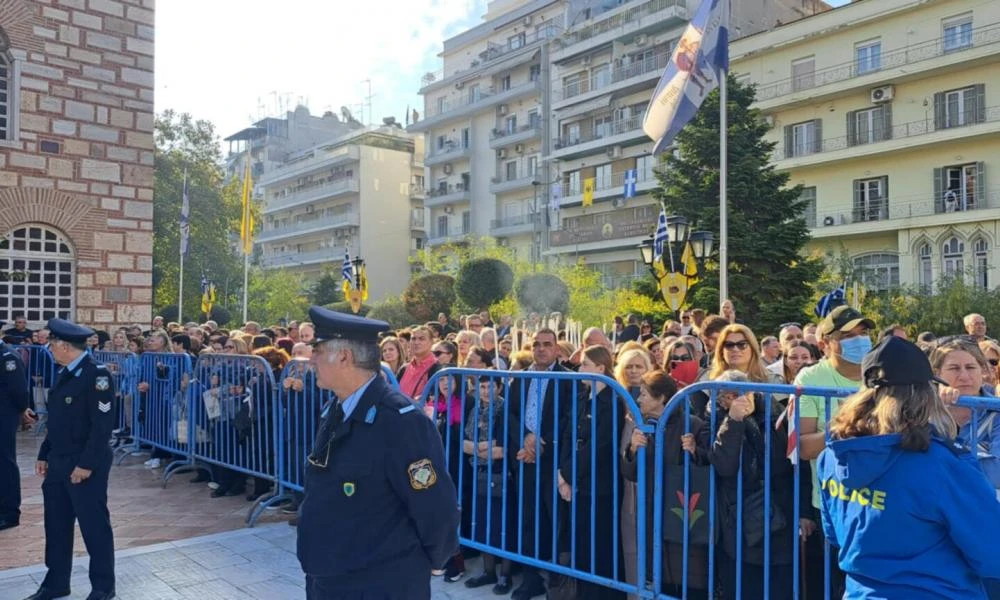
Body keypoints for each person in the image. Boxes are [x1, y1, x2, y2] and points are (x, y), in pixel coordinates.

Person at [818, 336, 1000, 599]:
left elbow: (835, 534)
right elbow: (992, 550)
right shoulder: (942, 465)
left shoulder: (833, 455)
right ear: (925, 394)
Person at [296, 306, 459, 599]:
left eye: (317, 351)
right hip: (330, 573)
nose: (311, 359)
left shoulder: (401, 421)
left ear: (344, 356)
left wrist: (436, 561)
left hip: (379, 582)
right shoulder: (336, 408)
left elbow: (435, 506)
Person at [26, 319, 116, 600]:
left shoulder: (96, 375)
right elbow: (58, 420)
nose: (49, 349)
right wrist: (44, 454)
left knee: (94, 526)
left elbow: (102, 427)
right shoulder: (65, 372)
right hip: (59, 461)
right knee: (56, 525)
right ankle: (56, 582)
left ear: (64, 346)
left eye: (52, 344)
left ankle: (103, 587)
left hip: (85, 461)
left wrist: (86, 465)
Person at [1, 327, 33, 531]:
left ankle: (9, 512)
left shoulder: (7, 356)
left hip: (3, 416)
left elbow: (18, 390)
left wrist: (22, 411)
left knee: (4, 462)